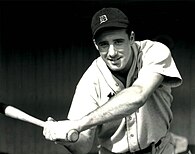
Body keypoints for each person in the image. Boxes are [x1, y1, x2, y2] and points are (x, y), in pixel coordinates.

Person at [43, 7, 183, 154]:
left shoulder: (154, 52)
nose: (112, 53)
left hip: (161, 150)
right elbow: (82, 146)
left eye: (118, 42)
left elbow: (138, 95)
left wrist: (78, 124)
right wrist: (65, 137)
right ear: (96, 45)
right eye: (104, 44)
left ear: (131, 38)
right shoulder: (90, 79)